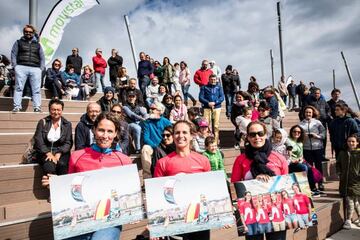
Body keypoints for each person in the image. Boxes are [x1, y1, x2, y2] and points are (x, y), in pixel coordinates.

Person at [42, 112, 132, 240]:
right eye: (101, 130)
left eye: (110, 131)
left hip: (109, 220)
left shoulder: (124, 160)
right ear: (94, 130)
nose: (105, 136)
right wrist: (57, 185)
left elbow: (128, 194)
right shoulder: (77, 156)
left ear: (116, 133)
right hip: (81, 216)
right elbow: (71, 189)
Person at [154, 120, 211, 240]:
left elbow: (208, 191)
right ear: (173, 136)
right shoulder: (163, 162)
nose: (181, 136)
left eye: (185, 132)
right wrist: (156, 225)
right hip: (176, 219)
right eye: (177, 133)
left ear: (191, 136)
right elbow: (158, 195)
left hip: (199, 218)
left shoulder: (203, 160)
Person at [231, 121, 288, 240]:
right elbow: (234, 186)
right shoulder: (240, 160)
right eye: (252, 134)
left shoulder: (279, 158)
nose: (257, 137)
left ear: (266, 134)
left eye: (260, 133)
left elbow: (285, 185)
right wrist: (254, 182)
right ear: (247, 137)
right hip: (252, 213)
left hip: (275, 211)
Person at [34, 99, 72, 176]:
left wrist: (59, 153)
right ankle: (51, 186)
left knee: (62, 164)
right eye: (53, 109)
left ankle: (62, 186)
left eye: (58, 110)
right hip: (45, 150)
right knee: (49, 165)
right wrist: (48, 153)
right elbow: (38, 140)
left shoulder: (67, 124)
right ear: (49, 110)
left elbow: (68, 142)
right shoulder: (42, 122)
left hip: (61, 151)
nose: (56, 112)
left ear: (62, 110)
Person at [11, 24, 45, 112]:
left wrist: (41, 68)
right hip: (21, 67)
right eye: (26, 31)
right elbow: (13, 54)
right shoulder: (18, 42)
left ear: (33, 33)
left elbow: (42, 57)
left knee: (36, 89)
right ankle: (17, 106)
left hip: (35, 68)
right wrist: (15, 66)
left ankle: (37, 107)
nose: (28, 33)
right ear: (24, 32)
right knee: (19, 88)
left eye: (30, 32)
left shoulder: (38, 45)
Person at [140, 102, 172, 179]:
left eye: (153, 109)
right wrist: (156, 146)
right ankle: (147, 178)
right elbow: (146, 138)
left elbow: (171, 134)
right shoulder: (147, 122)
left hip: (165, 146)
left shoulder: (166, 122)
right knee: (145, 149)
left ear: (160, 111)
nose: (151, 110)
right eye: (150, 108)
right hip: (153, 147)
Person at [299, 105, 326, 191]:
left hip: (317, 147)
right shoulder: (301, 124)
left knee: (318, 166)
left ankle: (320, 183)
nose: (308, 114)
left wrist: (317, 136)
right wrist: (303, 137)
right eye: (306, 112)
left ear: (313, 113)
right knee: (309, 168)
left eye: (310, 112)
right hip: (306, 149)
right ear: (304, 113)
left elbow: (324, 133)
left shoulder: (317, 122)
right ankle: (312, 184)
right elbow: (298, 136)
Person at [336, 134, 360, 229]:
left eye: (353, 141)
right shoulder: (342, 153)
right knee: (355, 202)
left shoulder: (358, 154)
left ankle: (348, 220)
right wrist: (339, 172)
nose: (351, 143)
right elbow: (338, 164)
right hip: (344, 181)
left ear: (357, 142)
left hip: (356, 182)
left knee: (351, 200)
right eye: (349, 141)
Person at [287, 125, 318, 196]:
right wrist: (293, 160)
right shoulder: (288, 140)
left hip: (298, 161)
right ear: (291, 132)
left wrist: (300, 159)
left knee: (310, 168)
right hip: (290, 162)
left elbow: (301, 155)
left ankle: (312, 188)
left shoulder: (300, 142)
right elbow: (288, 154)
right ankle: (304, 189)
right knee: (303, 168)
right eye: (294, 131)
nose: (296, 133)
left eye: (299, 132)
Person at [199, 74, 225, 144]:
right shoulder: (204, 87)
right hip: (207, 108)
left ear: (216, 80)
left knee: (216, 126)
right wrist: (208, 103)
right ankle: (207, 142)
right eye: (211, 79)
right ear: (209, 80)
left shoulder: (219, 87)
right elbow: (200, 97)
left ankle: (215, 142)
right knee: (206, 125)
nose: (213, 81)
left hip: (217, 107)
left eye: (214, 79)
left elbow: (222, 97)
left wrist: (215, 102)